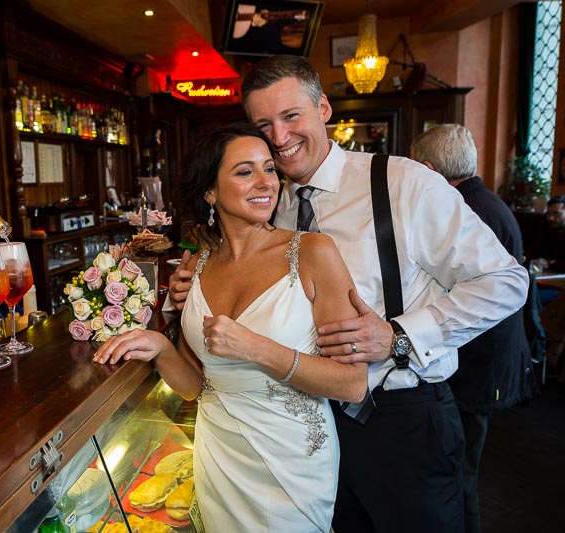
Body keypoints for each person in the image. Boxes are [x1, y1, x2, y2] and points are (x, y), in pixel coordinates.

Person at [168, 55, 529, 532]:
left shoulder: (403, 182)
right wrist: (192, 290)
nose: (278, 138)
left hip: (403, 419)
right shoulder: (268, 206)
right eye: (264, 124)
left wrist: (399, 335)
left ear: (323, 109)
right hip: (307, 429)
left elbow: (506, 281)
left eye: (291, 116)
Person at [95, 123, 368, 532]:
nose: (266, 183)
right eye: (245, 172)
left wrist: (256, 348)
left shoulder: (314, 253)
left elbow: (353, 385)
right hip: (219, 453)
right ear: (210, 191)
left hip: (291, 462)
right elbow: (195, 386)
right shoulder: (196, 264)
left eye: (270, 169)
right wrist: (160, 347)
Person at [411, 123, 536, 533]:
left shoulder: (464, 210)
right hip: (488, 360)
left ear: (427, 168)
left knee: (459, 474)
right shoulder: (487, 202)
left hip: (479, 365)